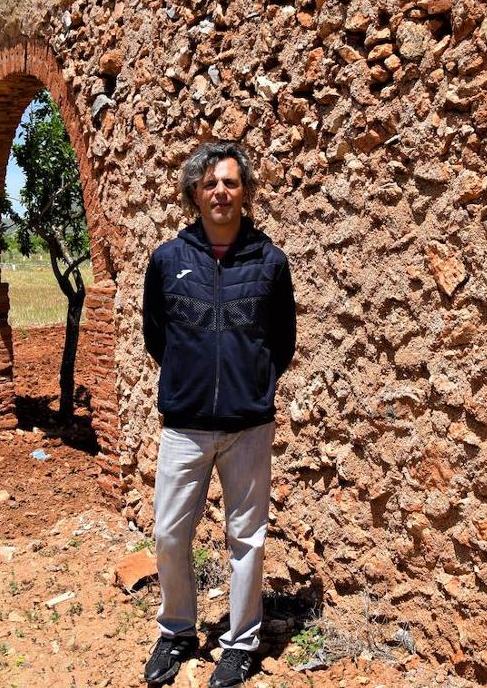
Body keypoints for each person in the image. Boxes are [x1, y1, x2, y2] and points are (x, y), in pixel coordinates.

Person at [141, 141, 296, 688]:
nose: (220, 192)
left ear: (246, 193)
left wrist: (250, 388)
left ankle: (241, 643)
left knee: (246, 537)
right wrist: (190, 382)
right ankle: (178, 631)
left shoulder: (271, 263)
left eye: (230, 183)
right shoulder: (167, 261)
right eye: (210, 184)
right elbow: (157, 337)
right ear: (194, 194)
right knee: (168, 533)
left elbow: (282, 343)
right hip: (184, 426)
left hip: (248, 427)